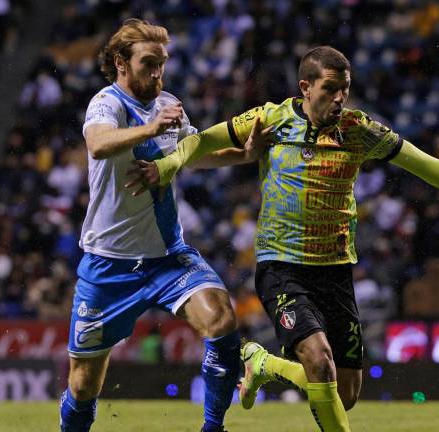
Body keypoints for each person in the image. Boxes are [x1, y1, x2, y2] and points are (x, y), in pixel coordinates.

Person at [126, 46, 439, 431]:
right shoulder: (273, 118)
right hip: (282, 266)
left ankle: (264, 364)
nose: (339, 98)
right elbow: (201, 140)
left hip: (335, 271)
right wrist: (169, 164)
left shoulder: (358, 130)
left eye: (344, 89)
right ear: (306, 87)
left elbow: (426, 165)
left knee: (343, 394)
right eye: (330, 88)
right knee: (319, 361)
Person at [59, 19, 267, 432]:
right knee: (83, 385)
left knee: (221, 320)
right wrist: (151, 129)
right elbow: (98, 144)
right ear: (121, 63)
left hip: (168, 257)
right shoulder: (106, 103)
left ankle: (213, 428)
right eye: (148, 64)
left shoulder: (169, 103)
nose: (158, 74)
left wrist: (243, 155)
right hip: (109, 265)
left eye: (162, 64)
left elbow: (192, 154)